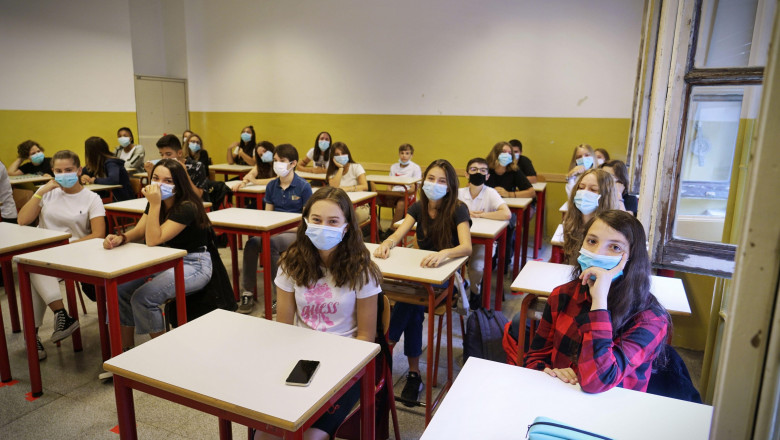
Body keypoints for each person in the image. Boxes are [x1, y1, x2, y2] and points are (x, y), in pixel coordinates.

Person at [254, 187, 382, 440]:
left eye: (333, 221)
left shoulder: (362, 270)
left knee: (308, 438)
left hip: (346, 364)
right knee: (263, 436)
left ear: (346, 227)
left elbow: (366, 338)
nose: (324, 227)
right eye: (316, 220)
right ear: (306, 222)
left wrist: (334, 368)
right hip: (302, 360)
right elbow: (284, 328)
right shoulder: (291, 263)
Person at [524, 210, 669, 393]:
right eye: (592, 241)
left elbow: (597, 382)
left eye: (615, 247)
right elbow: (534, 358)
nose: (597, 252)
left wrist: (599, 302)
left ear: (632, 258)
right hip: (560, 394)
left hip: (613, 406)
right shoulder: (563, 295)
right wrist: (550, 373)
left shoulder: (650, 319)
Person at [374, 159, 471, 406]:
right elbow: (399, 232)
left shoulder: (458, 209)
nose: (435, 184)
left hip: (446, 277)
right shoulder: (419, 207)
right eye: (431, 178)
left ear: (450, 185)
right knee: (414, 306)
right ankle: (413, 374)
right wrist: (387, 243)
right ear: (424, 180)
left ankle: (385, 347)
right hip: (422, 276)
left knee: (410, 300)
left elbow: (466, 247)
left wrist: (444, 253)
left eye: (442, 180)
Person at [103, 159, 212, 349]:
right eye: (156, 178)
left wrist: (154, 205)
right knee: (120, 290)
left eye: (168, 181)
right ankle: (125, 350)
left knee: (143, 298)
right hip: (165, 260)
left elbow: (153, 239)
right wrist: (122, 238)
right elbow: (140, 230)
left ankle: (162, 352)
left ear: (179, 183)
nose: (160, 184)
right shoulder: (158, 202)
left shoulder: (186, 206)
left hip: (193, 263)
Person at [17, 150, 106, 360]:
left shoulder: (92, 198)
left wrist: (64, 247)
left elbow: (98, 234)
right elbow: (22, 220)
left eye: (68, 170)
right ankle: (60, 315)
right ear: (52, 172)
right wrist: (41, 191)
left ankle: (33, 335)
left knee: (33, 266)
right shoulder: (47, 193)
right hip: (44, 253)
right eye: (59, 171)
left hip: (76, 253)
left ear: (79, 170)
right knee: (31, 264)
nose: (64, 174)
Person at [237, 144, 313, 314]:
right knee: (251, 244)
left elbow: (306, 223)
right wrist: (272, 228)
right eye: (276, 160)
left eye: (282, 161)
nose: (277, 164)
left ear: (293, 163)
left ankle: (279, 295)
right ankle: (247, 292)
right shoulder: (272, 186)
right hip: (273, 231)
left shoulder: (303, 187)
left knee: (271, 243)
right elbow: (268, 215)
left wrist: (280, 229)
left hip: (294, 232)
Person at [457, 158, 511, 306]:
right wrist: (466, 213)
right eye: (473, 169)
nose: (478, 173)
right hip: (460, 239)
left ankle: (475, 293)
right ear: (466, 174)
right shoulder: (459, 193)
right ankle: (456, 289)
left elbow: (506, 214)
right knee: (448, 263)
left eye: (482, 171)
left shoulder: (490, 193)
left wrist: (481, 215)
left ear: (487, 176)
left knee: (476, 267)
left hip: (483, 242)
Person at [485, 141, 535, 271]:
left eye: (509, 153)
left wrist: (509, 194)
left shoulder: (514, 170)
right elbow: (471, 186)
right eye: (503, 152)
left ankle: (504, 261)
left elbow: (531, 192)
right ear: (496, 154)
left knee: (507, 231)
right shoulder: (486, 169)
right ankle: (488, 262)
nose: (506, 155)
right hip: (487, 210)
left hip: (507, 211)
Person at [562, 169, 621, 265]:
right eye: (581, 187)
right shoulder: (572, 222)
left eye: (593, 189)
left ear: (605, 196)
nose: (584, 193)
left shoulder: (612, 229)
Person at [144, 134, 209, 200]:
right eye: (162, 154)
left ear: (179, 153)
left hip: (193, 203)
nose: (164, 158)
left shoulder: (196, 166)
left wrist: (185, 173)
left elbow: (197, 195)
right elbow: (155, 191)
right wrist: (150, 172)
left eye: (168, 154)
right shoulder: (164, 167)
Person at [378, 143, 422, 239]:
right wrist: (389, 195)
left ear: (411, 155)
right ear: (399, 154)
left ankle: (391, 230)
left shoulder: (415, 168)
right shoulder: (394, 167)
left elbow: (413, 188)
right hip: (394, 193)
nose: (404, 156)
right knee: (375, 199)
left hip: (408, 195)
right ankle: (378, 229)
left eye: (407, 153)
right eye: (402, 153)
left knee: (401, 203)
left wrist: (402, 194)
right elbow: (389, 185)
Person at [326, 142, 369, 224]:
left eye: (343, 153)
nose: (341, 156)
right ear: (333, 158)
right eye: (337, 154)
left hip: (359, 207)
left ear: (347, 154)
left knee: (347, 219)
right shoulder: (332, 171)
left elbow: (364, 186)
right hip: (339, 206)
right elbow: (334, 187)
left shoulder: (356, 167)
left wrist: (347, 189)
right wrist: (341, 168)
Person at [81, 136, 134, 201]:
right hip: (107, 198)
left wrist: (95, 180)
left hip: (121, 198)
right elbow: (83, 172)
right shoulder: (95, 164)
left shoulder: (111, 163)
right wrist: (83, 177)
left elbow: (113, 180)